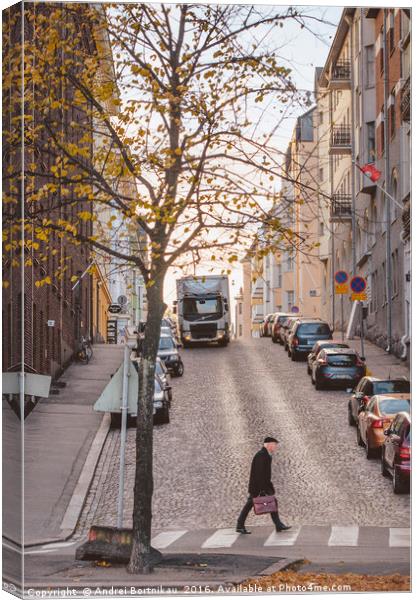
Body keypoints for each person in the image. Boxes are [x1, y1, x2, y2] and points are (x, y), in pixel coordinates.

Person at [236, 436, 291, 534]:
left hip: (261, 486)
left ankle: (278, 525)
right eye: (274, 445)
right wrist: (262, 490)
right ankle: (240, 525)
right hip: (258, 487)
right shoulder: (261, 455)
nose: (275, 447)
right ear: (269, 444)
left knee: (271, 502)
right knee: (250, 504)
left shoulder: (265, 454)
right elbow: (259, 473)